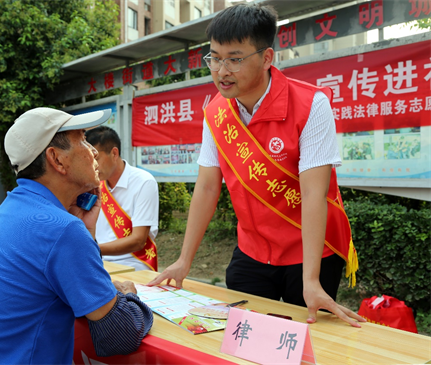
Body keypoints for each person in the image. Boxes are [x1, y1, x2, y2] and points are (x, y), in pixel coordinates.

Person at [149, 4, 366, 328]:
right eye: (215, 57)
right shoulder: (217, 113)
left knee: (306, 345)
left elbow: (313, 195)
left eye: (235, 59)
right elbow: (208, 187)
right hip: (252, 251)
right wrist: (183, 261)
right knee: (241, 339)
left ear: (266, 58)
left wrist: (311, 280)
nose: (222, 70)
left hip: (309, 254)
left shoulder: (310, 104)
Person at [0, 108, 153, 364]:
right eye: (81, 139)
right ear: (56, 159)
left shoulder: (11, 208)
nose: (92, 150)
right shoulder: (61, 229)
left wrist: (87, 233)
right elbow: (120, 335)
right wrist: (129, 295)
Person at [86, 126, 159, 271]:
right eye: (87, 159)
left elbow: (138, 241)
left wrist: (90, 249)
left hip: (134, 263)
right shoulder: (93, 184)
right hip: (99, 261)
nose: (92, 165)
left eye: (96, 158)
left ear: (114, 153)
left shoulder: (143, 182)